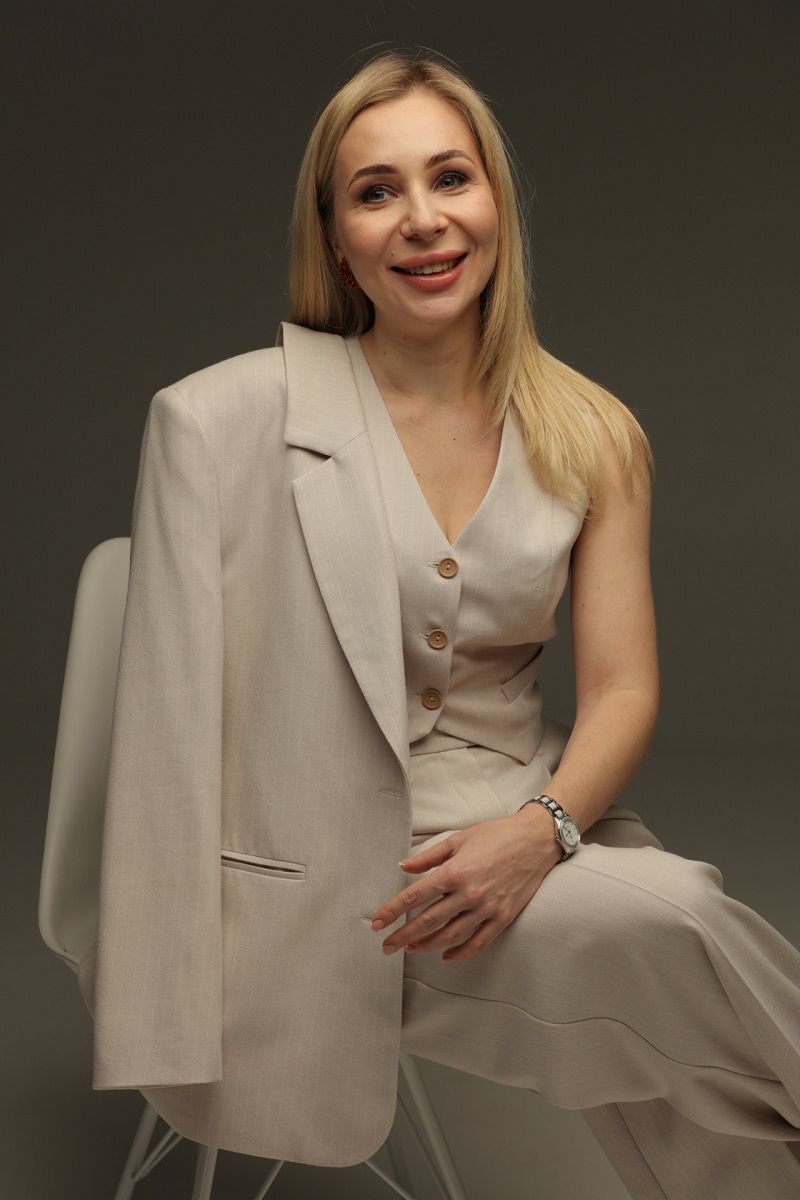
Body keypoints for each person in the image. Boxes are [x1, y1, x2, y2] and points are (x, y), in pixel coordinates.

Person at [80, 48, 800, 1195]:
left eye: (449, 178)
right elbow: (167, 747)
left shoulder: (592, 433)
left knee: (669, 1000)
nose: (421, 219)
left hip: (529, 831)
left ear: (494, 203)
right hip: (330, 886)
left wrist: (538, 832)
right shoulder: (214, 422)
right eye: (376, 192)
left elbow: (621, 689)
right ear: (335, 238)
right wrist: (163, 1017)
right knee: (671, 927)